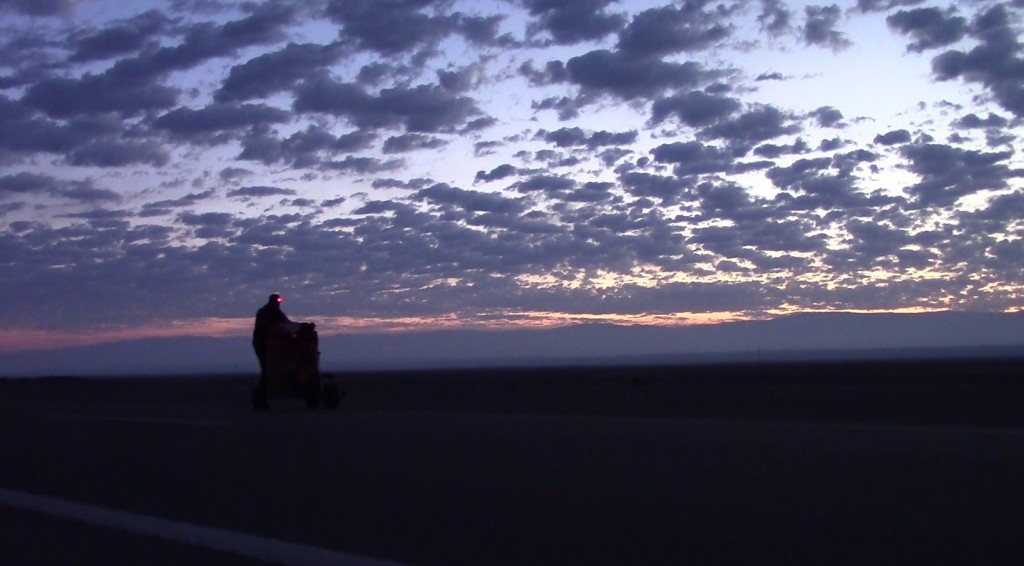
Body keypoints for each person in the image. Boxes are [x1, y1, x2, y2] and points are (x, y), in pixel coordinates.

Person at [253, 293, 290, 395]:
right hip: (262, 343)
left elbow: (287, 322)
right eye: (277, 302)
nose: (278, 304)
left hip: (275, 344)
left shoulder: (278, 313)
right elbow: (266, 326)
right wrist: (277, 329)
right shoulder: (263, 312)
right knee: (267, 368)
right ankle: (263, 394)